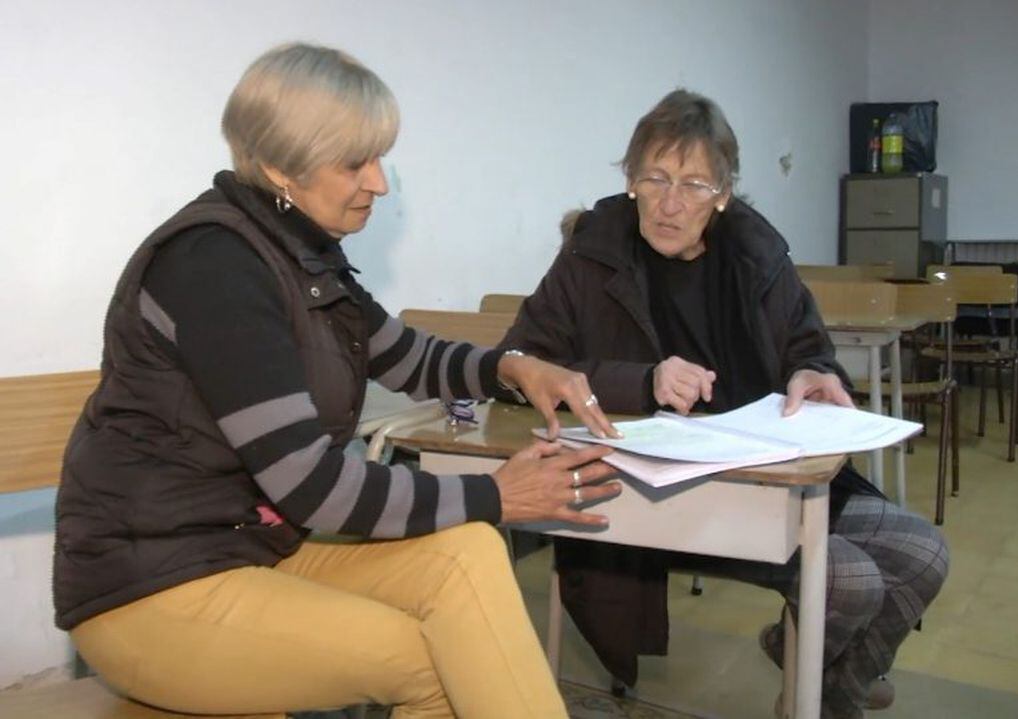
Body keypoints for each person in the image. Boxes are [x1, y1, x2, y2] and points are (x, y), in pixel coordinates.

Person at [53, 43, 624, 719]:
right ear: (277, 166)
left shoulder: (301, 257)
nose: (379, 182)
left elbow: (408, 357)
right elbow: (310, 484)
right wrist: (496, 492)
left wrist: (509, 367)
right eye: (355, 161)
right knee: (429, 656)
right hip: (151, 585)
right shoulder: (215, 267)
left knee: (466, 547)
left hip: (249, 549)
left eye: (379, 157)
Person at [498, 89, 950, 719]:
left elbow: (807, 345)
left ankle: (815, 677)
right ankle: (823, 696)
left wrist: (814, 373)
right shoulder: (592, 251)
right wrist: (644, 381)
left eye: (694, 183)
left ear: (724, 193)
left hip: (770, 471)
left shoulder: (756, 252)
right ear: (631, 180)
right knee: (852, 581)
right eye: (654, 178)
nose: (671, 202)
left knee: (925, 555)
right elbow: (520, 363)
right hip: (658, 488)